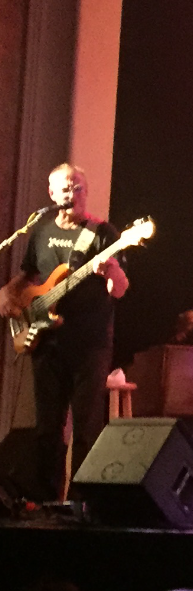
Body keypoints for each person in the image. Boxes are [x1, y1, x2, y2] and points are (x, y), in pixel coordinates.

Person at [0, 163, 129, 502]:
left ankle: (80, 503)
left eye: (79, 187)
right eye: (67, 187)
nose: (74, 193)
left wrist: (111, 270)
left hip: (90, 344)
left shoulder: (103, 233)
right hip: (48, 342)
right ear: (52, 193)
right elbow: (28, 276)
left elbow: (119, 289)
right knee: (47, 428)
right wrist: (6, 293)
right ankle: (45, 501)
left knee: (86, 427)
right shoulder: (41, 230)